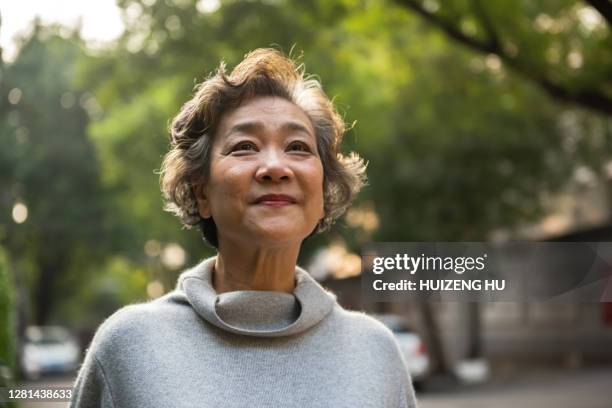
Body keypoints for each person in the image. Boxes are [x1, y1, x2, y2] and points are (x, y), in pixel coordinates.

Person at [70, 48, 418, 408]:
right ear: (200, 191)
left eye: (297, 147)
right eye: (244, 146)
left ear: (323, 193)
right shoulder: (129, 347)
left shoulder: (376, 353)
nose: (275, 167)